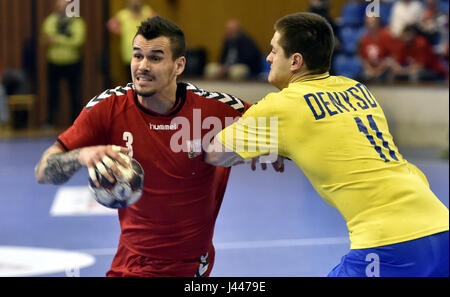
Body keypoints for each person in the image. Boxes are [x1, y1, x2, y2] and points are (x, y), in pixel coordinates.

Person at [205, 12, 449, 277]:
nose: (268, 58)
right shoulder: (356, 89)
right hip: (440, 223)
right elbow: (334, 139)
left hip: (389, 242)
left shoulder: (281, 106)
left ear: (295, 61)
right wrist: (278, 147)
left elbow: (215, 154)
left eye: (274, 51)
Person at [34, 16, 253, 277]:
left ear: (178, 65)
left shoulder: (213, 109)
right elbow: (43, 171)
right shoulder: (108, 107)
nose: (142, 66)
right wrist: (82, 155)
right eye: (137, 56)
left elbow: (278, 122)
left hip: (191, 264)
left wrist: (276, 147)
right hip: (132, 261)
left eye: (155, 58)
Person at [42, 0, 86, 127]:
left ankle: (77, 121)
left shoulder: (77, 22)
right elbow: (46, 38)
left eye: (65, 6)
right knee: (52, 94)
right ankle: (50, 121)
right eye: (59, 6)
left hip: (73, 63)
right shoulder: (50, 21)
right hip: (54, 63)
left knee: (75, 93)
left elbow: (78, 41)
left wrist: (57, 39)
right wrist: (66, 40)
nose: (62, 8)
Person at [107, 0, 156, 82]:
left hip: (145, 51)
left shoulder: (147, 11)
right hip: (128, 52)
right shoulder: (123, 14)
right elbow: (110, 24)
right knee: (131, 78)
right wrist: (121, 31)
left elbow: (158, 23)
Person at [358, 16, 394, 82]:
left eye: (372, 22)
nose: (370, 25)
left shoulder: (386, 36)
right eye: (368, 22)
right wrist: (370, 70)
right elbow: (364, 59)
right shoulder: (364, 38)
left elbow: (391, 56)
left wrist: (378, 70)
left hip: (385, 69)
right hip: (370, 69)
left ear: (378, 23)